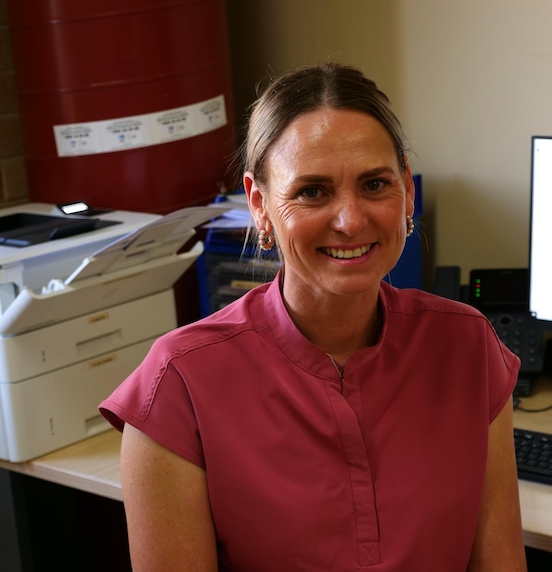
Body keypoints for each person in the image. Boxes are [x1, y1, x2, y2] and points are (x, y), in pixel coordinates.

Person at [99, 62, 527, 571]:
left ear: (407, 192)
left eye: (374, 184)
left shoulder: (468, 346)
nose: (350, 219)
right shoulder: (176, 384)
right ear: (260, 206)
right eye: (312, 191)